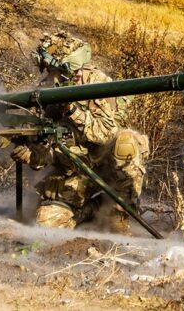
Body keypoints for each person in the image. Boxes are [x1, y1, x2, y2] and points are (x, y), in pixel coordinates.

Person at [10, 31, 149, 233]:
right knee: (47, 226)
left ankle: (118, 210)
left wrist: (71, 109)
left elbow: (105, 134)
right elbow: (43, 152)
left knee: (126, 141)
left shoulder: (98, 84)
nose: (75, 74)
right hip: (73, 170)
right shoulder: (45, 93)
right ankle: (90, 210)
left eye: (75, 69)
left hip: (106, 166)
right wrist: (31, 155)